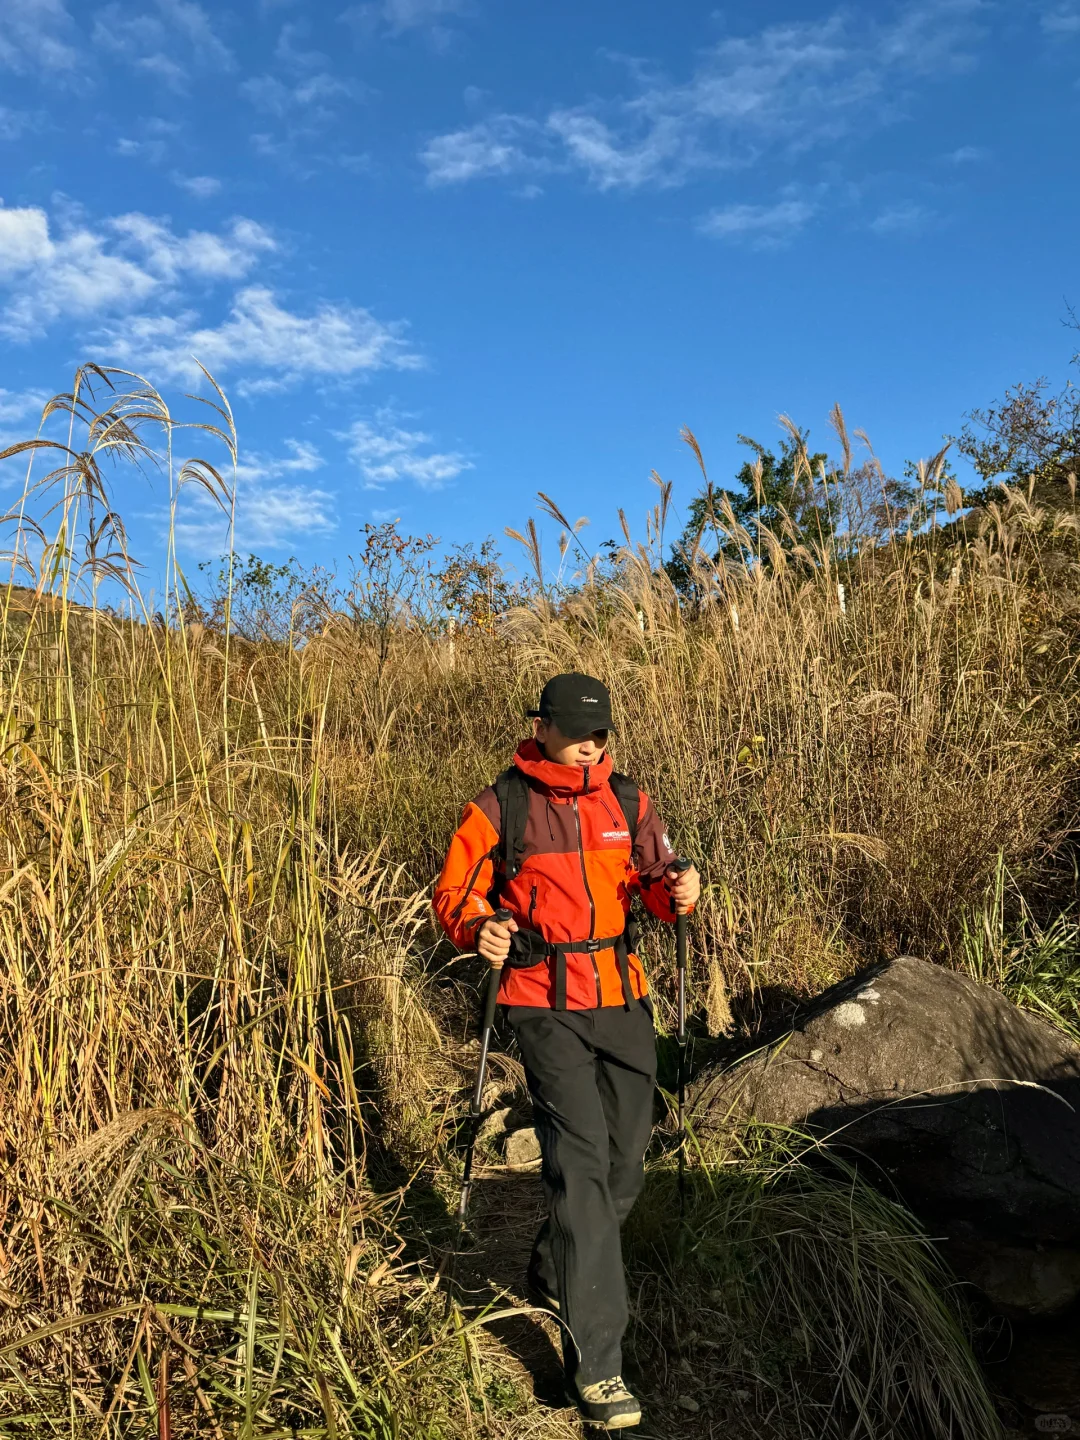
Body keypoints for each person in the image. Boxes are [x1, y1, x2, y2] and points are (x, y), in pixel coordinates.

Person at [434, 672, 700, 1430]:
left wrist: (680, 889)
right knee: (581, 1167)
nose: (593, 743)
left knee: (624, 1166)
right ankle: (601, 1369)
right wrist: (476, 927)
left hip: (620, 993)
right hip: (541, 1002)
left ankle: (553, 1268)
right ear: (542, 727)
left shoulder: (629, 801)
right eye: (580, 729)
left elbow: (654, 880)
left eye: (603, 731)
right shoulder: (500, 806)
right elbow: (455, 896)